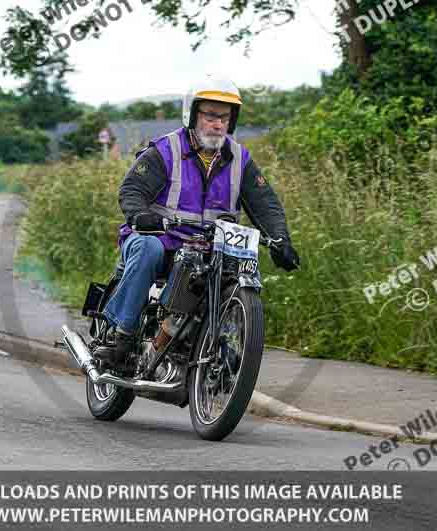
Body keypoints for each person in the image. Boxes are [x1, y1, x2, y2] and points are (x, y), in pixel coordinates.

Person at [94, 76, 301, 365]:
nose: (217, 124)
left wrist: (280, 239)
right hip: (160, 240)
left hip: (208, 249)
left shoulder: (240, 159)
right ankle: (123, 334)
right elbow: (133, 190)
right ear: (192, 114)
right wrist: (140, 215)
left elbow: (266, 204)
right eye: (210, 116)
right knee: (147, 249)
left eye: (224, 118)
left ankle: (216, 343)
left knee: (236, 270)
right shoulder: (166, 150)